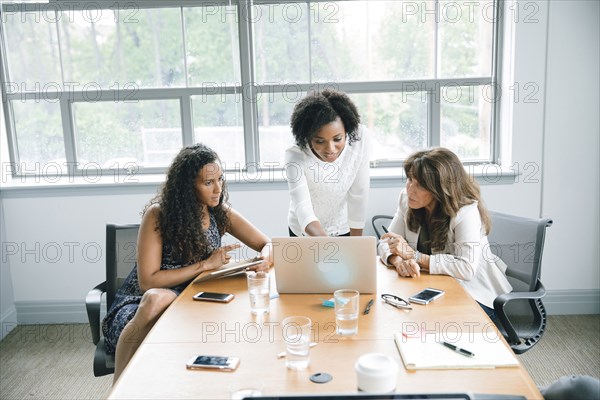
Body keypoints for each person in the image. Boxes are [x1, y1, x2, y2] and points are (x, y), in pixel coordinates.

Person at [101, 143, 272, 382]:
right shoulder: (158, 215)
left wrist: (264, 259)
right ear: (188, 186)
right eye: (208, 183)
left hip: (191, 299)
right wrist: (205, 265)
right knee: (156, 299)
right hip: (139, 306)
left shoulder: (219, 212)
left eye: (220, 180)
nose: (218, 189)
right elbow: (147, 282)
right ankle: (117, 390)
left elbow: (268, 243)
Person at [377, 147, 512, 318]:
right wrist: (397, 261)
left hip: (473, 294)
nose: (410, 189)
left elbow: (466, 268)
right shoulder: (407, 199)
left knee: (426, 322)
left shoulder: (465, 212)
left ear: (440, 189)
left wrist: (413, 256)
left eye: (420, 185)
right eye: (410, 179)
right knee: (395, 312)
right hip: (432, 287)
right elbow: (385, 242)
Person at [285, 89, 370, 237]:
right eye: (319, 141)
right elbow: (302, 207)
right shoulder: (295, 155)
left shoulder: (359, 139)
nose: (330, 149)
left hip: (342, 227)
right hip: (304, 231)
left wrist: (357, 244)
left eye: (337, 139)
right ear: (307, 136)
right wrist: (327, 246)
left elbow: (359, 194)